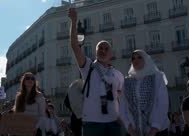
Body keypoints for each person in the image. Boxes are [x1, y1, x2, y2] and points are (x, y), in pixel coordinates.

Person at [68, 8, 124, 136]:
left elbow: (120, 97)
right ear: (96, 52)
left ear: (111, 54)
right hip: (92, 122)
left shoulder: (118, 75)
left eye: (106, 48)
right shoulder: (88, 66)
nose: (103, 50)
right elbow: (74, 46)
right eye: (100, 48)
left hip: (114, 121)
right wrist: (74, 21)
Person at [119, 50, 170, 136]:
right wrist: (130, 129)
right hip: (134, 132)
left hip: (157, 131)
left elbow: (163, 103)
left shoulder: (157, 78)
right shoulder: (127, 81)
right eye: (133, 58)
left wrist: (154, 129)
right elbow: (123, 106)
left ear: (146, 59)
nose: (136, 60)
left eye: (139, 57)